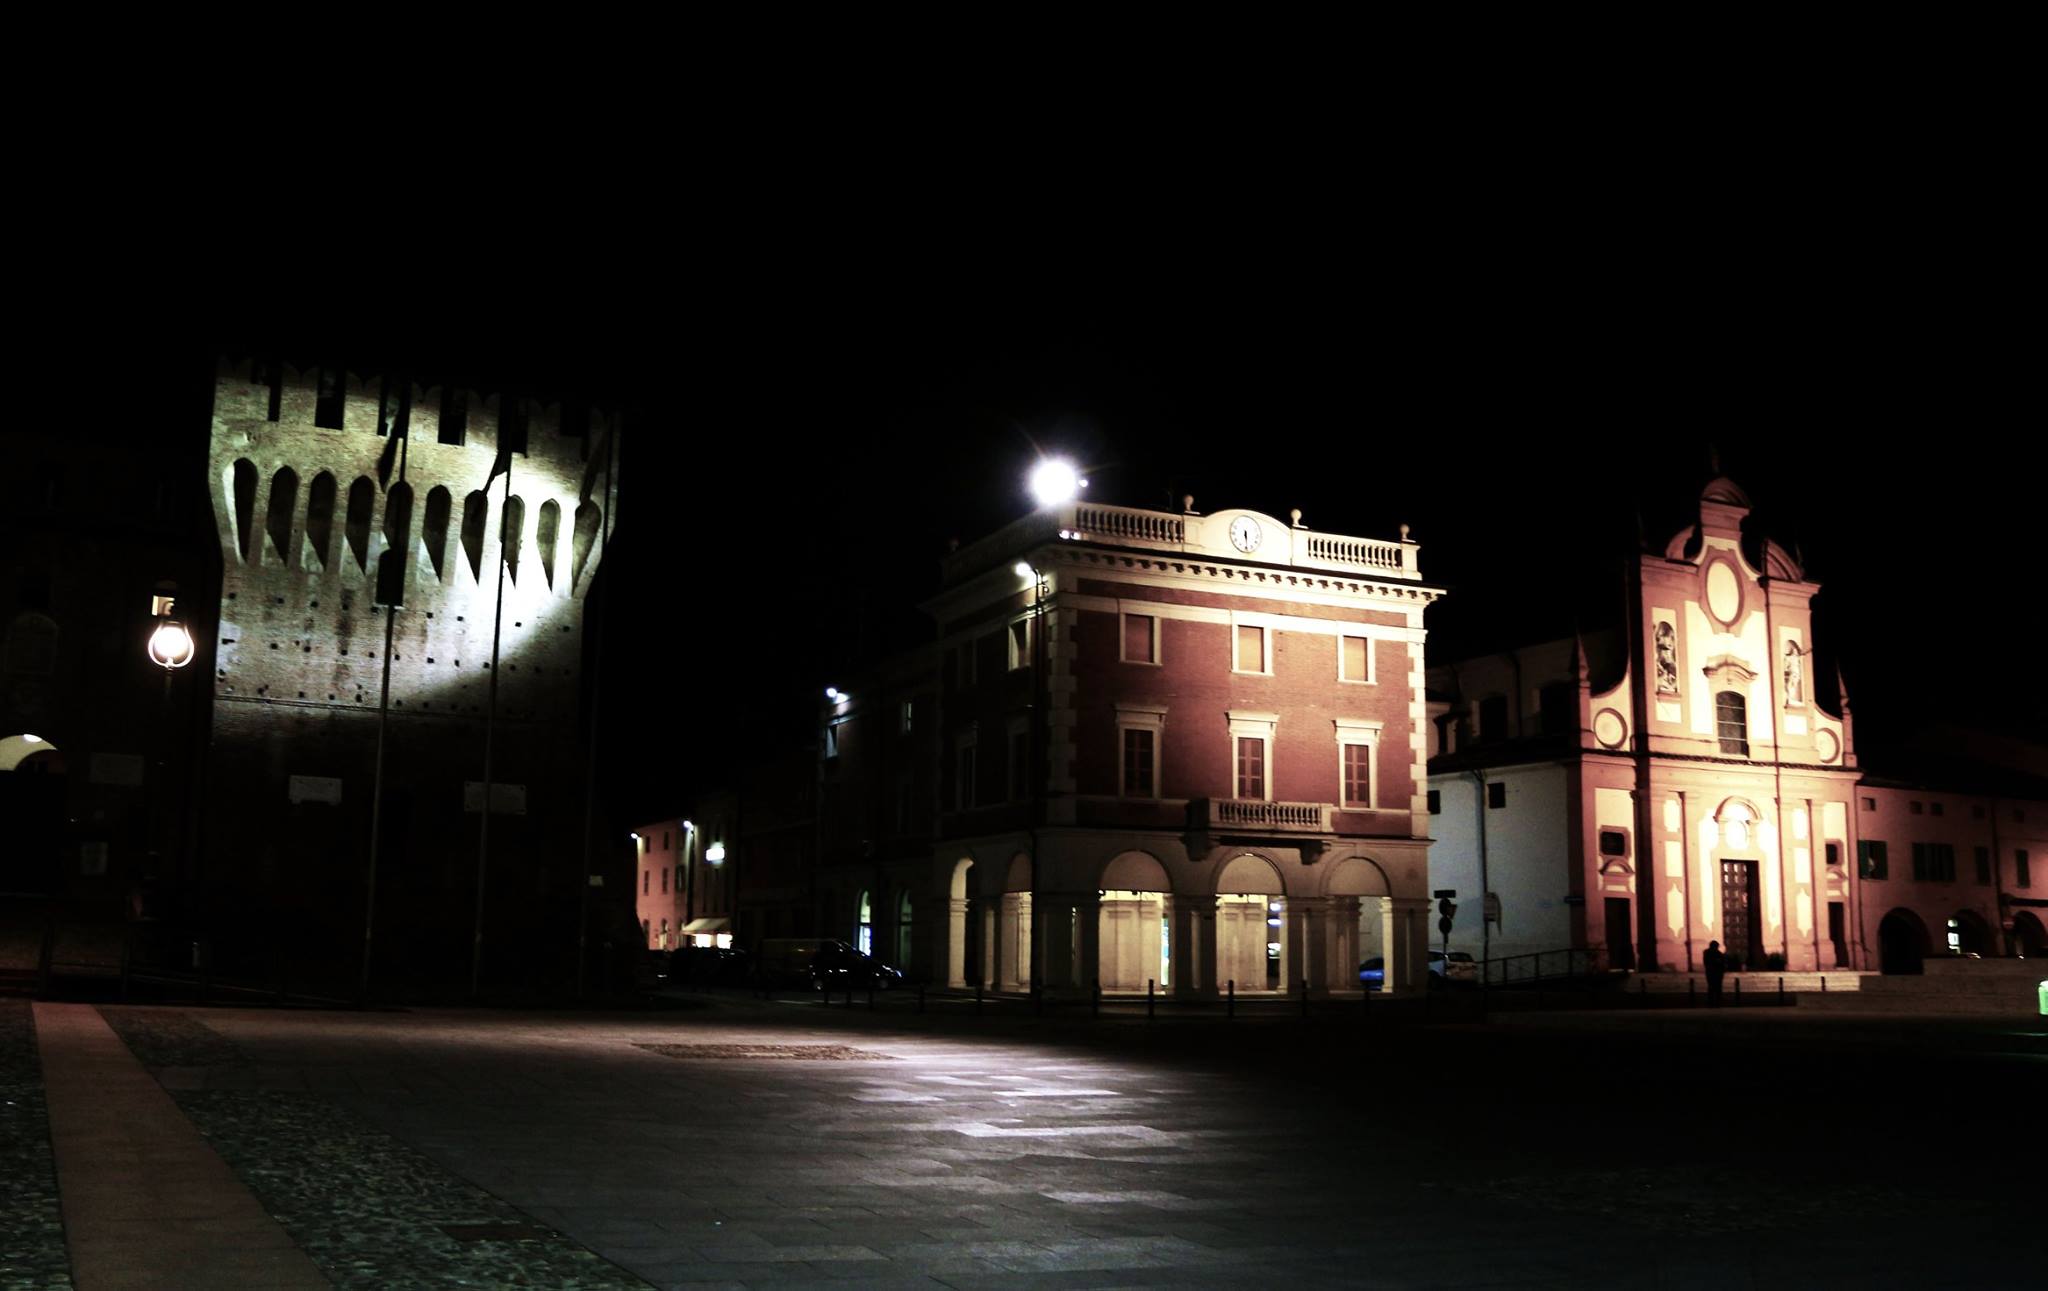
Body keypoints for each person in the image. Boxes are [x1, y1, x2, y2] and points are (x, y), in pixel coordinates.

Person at [1703, 939, 1727, 1007]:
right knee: (1715, 988)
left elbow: (1721, 963)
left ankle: (1714, 1002)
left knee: (1713, 988)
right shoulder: (1715, 953)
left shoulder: (1715, 953)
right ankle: (1715, 1002)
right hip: (1714, 973)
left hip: (1713, 973)